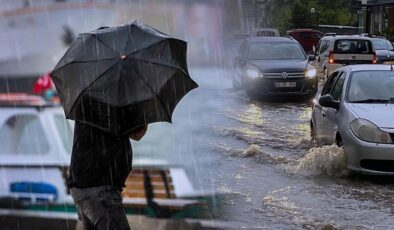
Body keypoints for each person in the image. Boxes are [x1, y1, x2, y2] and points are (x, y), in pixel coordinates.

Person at [69, 122, 148, 230]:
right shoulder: (113, 107)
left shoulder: (89, 107)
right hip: (99, 189)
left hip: (85, 184)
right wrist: (143, 112)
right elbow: (138, 133)